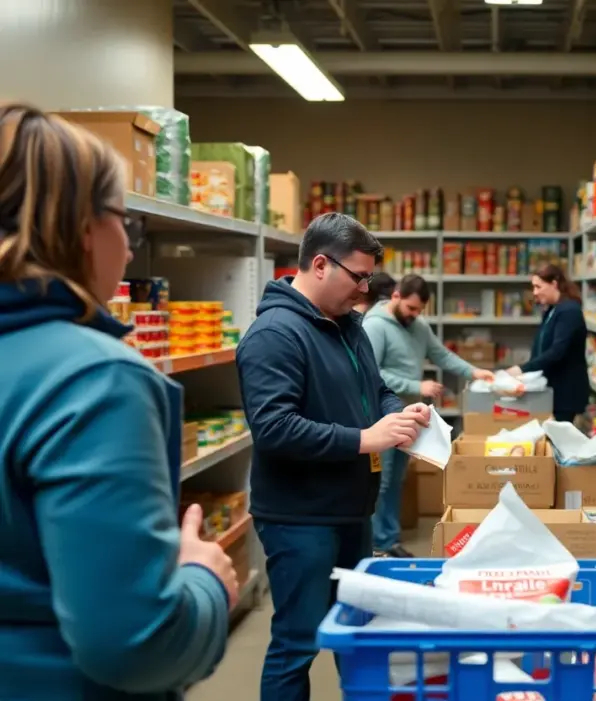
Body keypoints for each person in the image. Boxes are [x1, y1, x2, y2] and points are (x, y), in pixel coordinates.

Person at [0, 104, 234, 698]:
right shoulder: (92, 380)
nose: (130, 252)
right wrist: (205, 581)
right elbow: (133, 645)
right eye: (125, 224)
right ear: (81, 227)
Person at [235, 212, 430, 701]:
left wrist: (401, 417)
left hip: (349, 511)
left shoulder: (349, 326)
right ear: (320, 264)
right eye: (358, 277)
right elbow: (274, 429)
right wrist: (366, 439)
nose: (365, 290)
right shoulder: (274, 335)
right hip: (299, 518)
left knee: (358, 637)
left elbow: (377, 390)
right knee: (297, 644)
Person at [363, 273, 495, 557]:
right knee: (381, 482)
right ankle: (376, 544)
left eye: (420, 310)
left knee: (397, 478)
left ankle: (389, 540)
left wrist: (474, 371)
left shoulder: (418, 325)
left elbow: (442, 355)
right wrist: (416, 386)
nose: (415, 315)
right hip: (381, 415)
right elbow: (371, 371)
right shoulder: (375, 326)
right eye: (411, 309)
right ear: (396, 296)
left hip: (409, 415)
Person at [508, 263, 589, 423]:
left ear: (554, 283)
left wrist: (521, 369)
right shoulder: (553, 310)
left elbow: (557, 351)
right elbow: (541, 348)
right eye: (533, 287)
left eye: (538, 287)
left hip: (564, 395)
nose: (535, 293)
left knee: (557, 441)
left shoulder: (569, 311)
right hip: (550, 391)